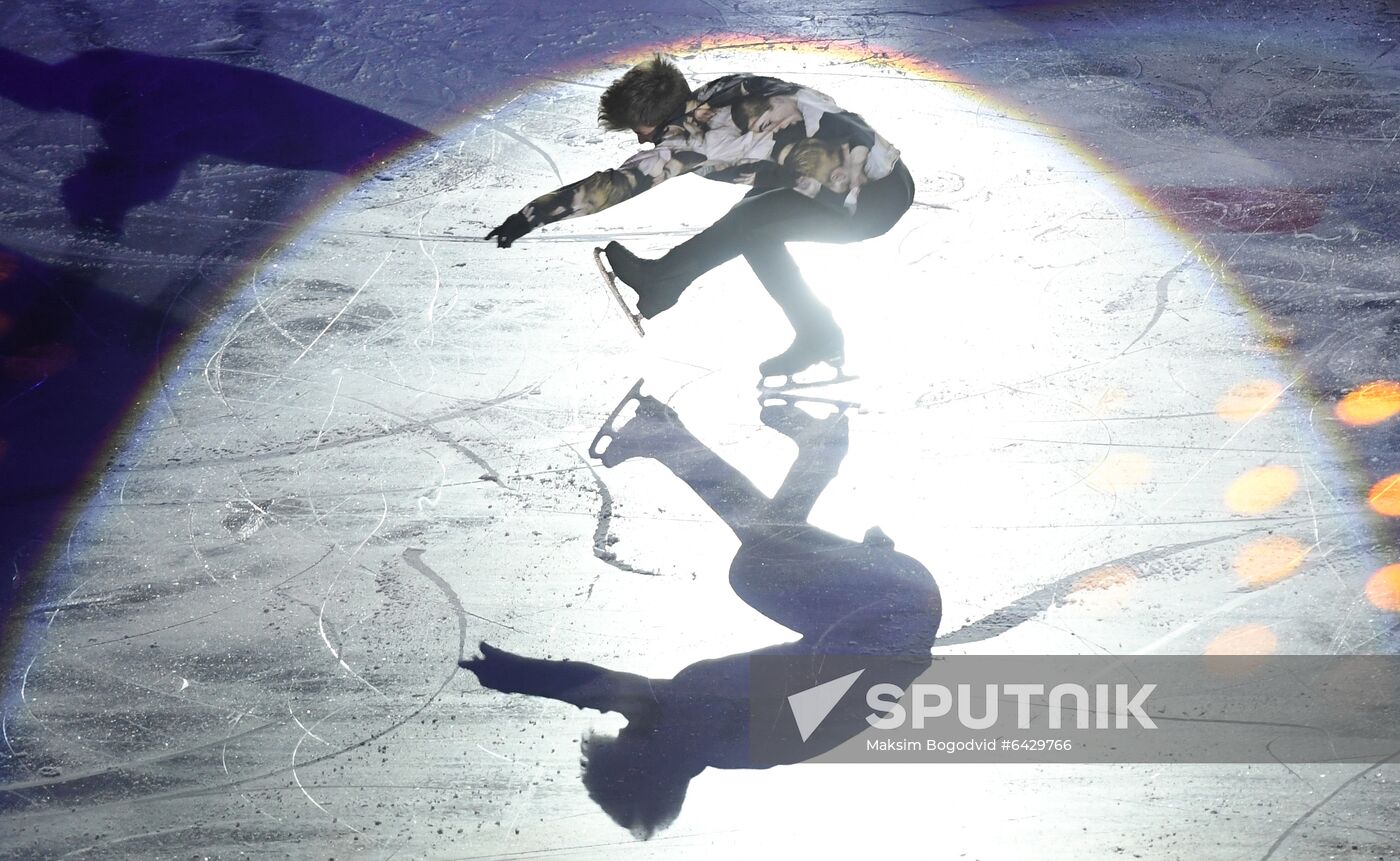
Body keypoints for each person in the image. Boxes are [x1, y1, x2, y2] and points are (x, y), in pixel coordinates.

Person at [485, 55, 915, 379]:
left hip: (867, 204)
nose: (640, 139)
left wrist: (531, 216)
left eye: (643, 130)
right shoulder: (726, 89)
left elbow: (622, 182)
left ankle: (664, 282)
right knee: (752, 221)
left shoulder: (700, 136)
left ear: (660, 118)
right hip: (891, 174)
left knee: (751, 226)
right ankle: (816, 331)